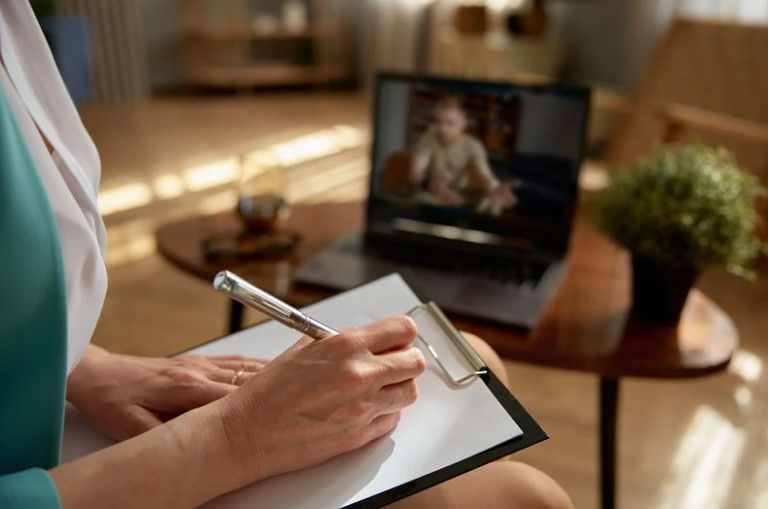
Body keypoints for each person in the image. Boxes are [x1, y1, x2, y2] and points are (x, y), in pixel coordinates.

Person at [0, 3, 572, 508]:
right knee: (530, 498)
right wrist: (237, 437)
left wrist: (86, 366)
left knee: (473, 360)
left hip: (39, 414)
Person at [409, 95, 518, 214]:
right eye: (438, 122)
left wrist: (495, 188)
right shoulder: (429, 138)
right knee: (422, 201)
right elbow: (416, 173)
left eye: (449, 123)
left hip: (463, 194)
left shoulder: (473, 145)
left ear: (463, 124)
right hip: (432, 193)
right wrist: (431, 186)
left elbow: (485, 175)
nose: (442, 128)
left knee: (493, 207)